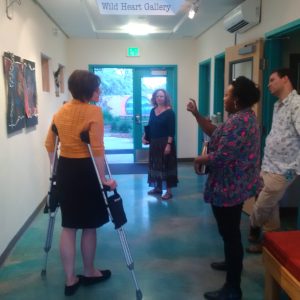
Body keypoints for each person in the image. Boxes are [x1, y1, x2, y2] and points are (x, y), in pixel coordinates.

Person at [187, 76, 261, 300]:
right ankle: (231, 263)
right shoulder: (243, 117)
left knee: (230, 235)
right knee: (229, 232)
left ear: (237, 100)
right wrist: (197, 115)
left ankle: (232, 288)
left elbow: (223, 156)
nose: (224, 97)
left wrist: (200, 159)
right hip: (234, 186)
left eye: (228, 94)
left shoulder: (239, 122)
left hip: (230, 188)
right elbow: (215, 133)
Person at [45, 70, 117, 296]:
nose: (100, 91)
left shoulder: (60, 111)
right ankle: (89, 271)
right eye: (97, 88)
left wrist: (54, 170)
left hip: (66, 170)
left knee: (69, 226)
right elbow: (97, 149)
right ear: (89, 91)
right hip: (87, 172)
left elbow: (49, 144)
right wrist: (104, 179)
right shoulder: (94, 112)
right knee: (89, 225)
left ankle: (70, 279)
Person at [247, 68, 300, 254]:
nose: (268, 84)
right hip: (269, 163)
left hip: (286, 169)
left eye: (272, 80)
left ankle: (253, 228)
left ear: (285, 79)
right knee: (271, 204)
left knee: (264, 202)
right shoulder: (278, 105)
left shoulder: (297, 104)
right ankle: (271, 242)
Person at [142, 88, 178, 200]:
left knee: (167, 166)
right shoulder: (153, 110)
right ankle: (157, 188)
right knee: (155, 165)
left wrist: (168, 145)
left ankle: (169, 191)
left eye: (161, 96)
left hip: (165, 143)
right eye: (157, 96)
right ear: (154, 98)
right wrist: (144, 136)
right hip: (154, 142)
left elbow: (171, 131)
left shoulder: (170, 112)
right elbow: (150, 125)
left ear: (165, 98)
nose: (159, 98)